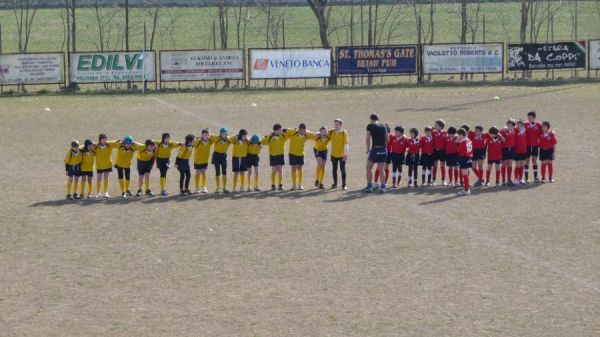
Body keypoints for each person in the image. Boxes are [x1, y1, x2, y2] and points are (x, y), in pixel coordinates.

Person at [285, 123, 316, 190]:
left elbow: (315, 135)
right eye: (302, 130)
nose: (304, 132)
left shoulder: (307, 134)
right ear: (299, 129)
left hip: (301, 154)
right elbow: (284, 130)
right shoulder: (293, 131)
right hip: (292, 153)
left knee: (300, 169)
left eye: (304, 130)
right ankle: (294, 185)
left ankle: (300, 185)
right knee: (293, 169)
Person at [364, 113, 388, 193]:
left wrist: (368, 148)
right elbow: (387, 139)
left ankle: (370, 187)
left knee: (368, 167)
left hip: (375, 150)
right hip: (383, 150)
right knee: (381, 169)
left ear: (371, 119)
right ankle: (383, 188)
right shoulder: (384, 126)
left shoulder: (370, 126)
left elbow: (368, 138)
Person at [261, 124, 288, 191]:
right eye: (280, 130)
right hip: (273, 155)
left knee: (280, 170)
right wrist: (269, 135)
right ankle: (273, 185)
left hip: (280, 155)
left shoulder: (283, 135)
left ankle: (280, 185)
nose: (281, 131)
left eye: (281, 129)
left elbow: (290, 133)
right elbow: (262, 141)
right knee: (274, 170)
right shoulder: (270, 137)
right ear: (276, 130)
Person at [93, 134, 119, 198]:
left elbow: (117, 142)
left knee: (106, 178)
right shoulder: (95, 146)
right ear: (100, 140)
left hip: (108, 164)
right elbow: (87, 146)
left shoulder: (109, 144)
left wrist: (123, 141)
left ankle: (105, 192)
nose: (104, 140)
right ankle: (98, 192)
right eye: (103, 139)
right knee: (99, 179)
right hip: (99, 165)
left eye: (105, 139)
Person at [329, 119, 350, 190]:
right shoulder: (331, 132)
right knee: (334, 169)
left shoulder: (344, 132)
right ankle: (335, 184)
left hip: (342, 155)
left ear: (340, 125)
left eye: (337, 124)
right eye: (335, 124)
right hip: (333, 154)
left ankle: (344, 185)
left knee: (342, 169)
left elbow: (346, 144)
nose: (335, 126)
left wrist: (346, 154)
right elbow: (324, 134)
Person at [211, 128, 232, 193]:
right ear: (220, 134)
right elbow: (209, 136)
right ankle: (217, 188)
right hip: (216, 156)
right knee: (217, 172)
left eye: (226, 134)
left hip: (223, 156)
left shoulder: (229, 140)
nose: (225, 135)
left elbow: (236, 137)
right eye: (223, 134)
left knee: (224, 172)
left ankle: (224, 187)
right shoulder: (216, 138)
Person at [525, 111, 543, 183]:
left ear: (534, 117)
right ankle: (526, 178)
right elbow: (517, 127)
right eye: (528, 117)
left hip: (535, 145)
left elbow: (544, 131)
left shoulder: (539, 124)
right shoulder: (525, 124)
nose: (529, 118)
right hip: (527, 146)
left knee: (534, 161)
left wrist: (551, 132)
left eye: (530, 117)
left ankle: (536, 177)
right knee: (527, 161)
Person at [193, 129, 212, 194]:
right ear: (202, 135)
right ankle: (196, 188)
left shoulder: (210, 141)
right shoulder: (198, 141)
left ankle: (203, 187)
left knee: (203, 173)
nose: (207, 136)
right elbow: (192, 145)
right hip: (197, 160)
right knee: (198, 173)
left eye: (208, 135)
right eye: (205, 135)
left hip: (205, 160)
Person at [456, 128, 474, 196]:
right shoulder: (469, 140)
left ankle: (466, 190)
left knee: (465, 175)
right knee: (466, 174)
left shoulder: (462, 142)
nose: (458, 136)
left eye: (458, 135)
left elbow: (458, 150)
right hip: (469, 157)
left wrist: (457, 142)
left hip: (464, 158)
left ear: (461, 134)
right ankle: (467, 189)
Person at [373, 124, 392, 188]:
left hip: (388, 153)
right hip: (380, 152)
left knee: (386, 167)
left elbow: (399, 137)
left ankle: (385, 183)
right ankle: (375, 182)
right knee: (378, 167)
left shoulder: (391, 136)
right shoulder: (380, 135)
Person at [500, 119, 516, 186]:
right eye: (509, 125)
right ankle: (503, 180)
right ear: (507, 125)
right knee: (504, 164)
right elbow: (497, 132)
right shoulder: (503, 131)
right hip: (505, 149)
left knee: (510, 164)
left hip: (512, 149)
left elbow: (521, 126)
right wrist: (502, 131)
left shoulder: (515, 130)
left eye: (512, 126)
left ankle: (509, 180)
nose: (510, 127)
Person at [431, 119, 447, 185]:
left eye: (436, 125)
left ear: (440, 126)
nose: (435, 126)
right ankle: (434, 180)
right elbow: (429, 131)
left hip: (442, 151)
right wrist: (433, 128)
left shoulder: (445, 133)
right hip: (435, 151)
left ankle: (443, 180)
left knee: (442, 166)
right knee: (435, 166)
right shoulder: (433, 132)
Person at [513, 120, 528, 185]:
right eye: (517, 125)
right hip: (517, 151)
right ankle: (516, 179)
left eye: (520, 125)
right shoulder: (515, 130)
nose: (519, 126)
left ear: (522, 125)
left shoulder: (525, 131)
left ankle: (520, 178)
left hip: (524, 150)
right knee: (518, 165)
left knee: (522, 165)